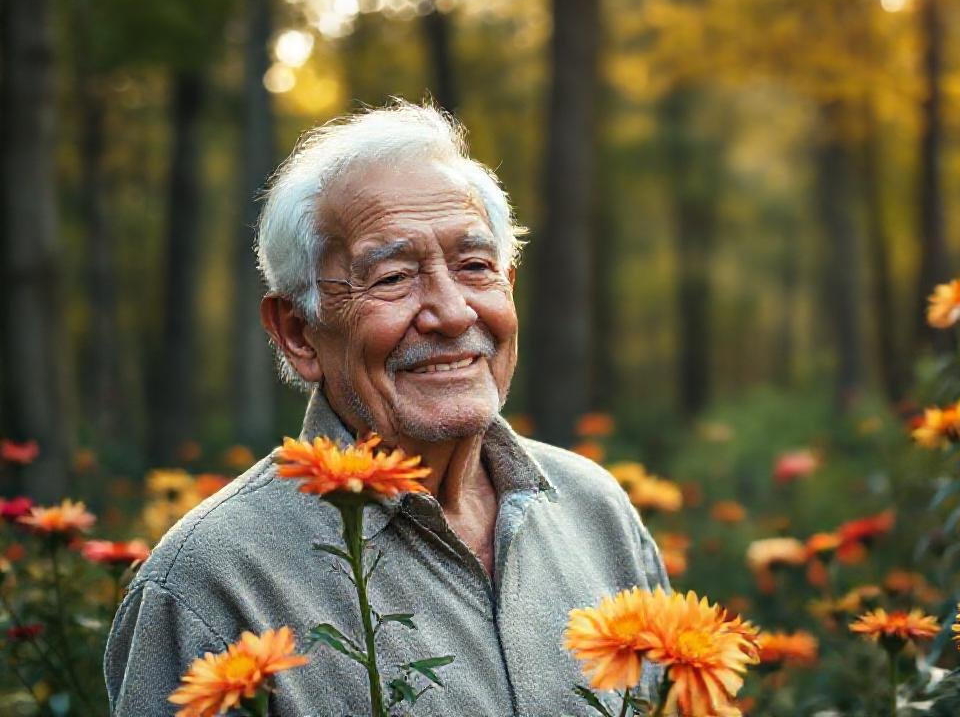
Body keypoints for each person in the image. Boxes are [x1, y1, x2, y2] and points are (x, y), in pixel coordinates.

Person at [104, 101, 667, 715]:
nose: (453, 314)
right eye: (393, 278)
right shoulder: (212, 584)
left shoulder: (595, 510)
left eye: (474, 267)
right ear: (298, 331)